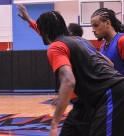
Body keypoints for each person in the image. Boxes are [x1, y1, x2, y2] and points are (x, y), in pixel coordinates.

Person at [17, 4, 124, 136]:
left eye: (41, 29)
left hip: (109, 94)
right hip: (101, 95)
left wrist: (54, 124)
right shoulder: (81, 41)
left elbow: (68, 81)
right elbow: (110, 63)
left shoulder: (56, 47)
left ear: (46, 31)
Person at [91, 8, 124, 74]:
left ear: (107, 23)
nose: (93, 30)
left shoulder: (121, 40)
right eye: (92, 27)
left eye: (96, 25)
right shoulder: (102, 47)